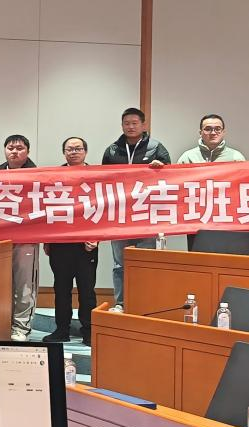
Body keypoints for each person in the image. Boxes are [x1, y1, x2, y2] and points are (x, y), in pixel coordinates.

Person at [102, 107, 169, 311]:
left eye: (134, 123)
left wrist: (161, 168)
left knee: (146, 262)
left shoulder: (156, 148)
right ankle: (121, 303)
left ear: (143, 125)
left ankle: (146, 303)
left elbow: (172, 178)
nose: (130, 127)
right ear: (122, 125)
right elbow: (101, 181)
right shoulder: (112, 150)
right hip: (120, 216)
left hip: (147, 216)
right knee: (120, 264)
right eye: (127, 123)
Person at [44, 137, 98, 344]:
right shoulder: (54, 177)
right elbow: (47, 209)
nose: (74, 152)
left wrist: (97, 237)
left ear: (85, 152)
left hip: (87, 243)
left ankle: (89, 331)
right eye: (69, 149)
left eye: (78, 148)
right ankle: (62, 330)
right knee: (61, 289)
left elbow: (103, 209)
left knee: (87, 290)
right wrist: (47, 240)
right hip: (60, 243)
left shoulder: (96, 176)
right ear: (63, 152)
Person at [0, 134, 39, 341]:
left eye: (20, 148)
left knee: (24, 285)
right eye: (10, 148)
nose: (14, 152)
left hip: (26, 238)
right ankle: (1, 324)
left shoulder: (38, 176)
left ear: (28, 151)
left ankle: (21, 327)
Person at [177, 114, 245, 163]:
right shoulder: (187, 157)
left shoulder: (236, 158)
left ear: (223, 132)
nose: (213, 133)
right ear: (200, 133)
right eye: (208, 129)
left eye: (217, 129)